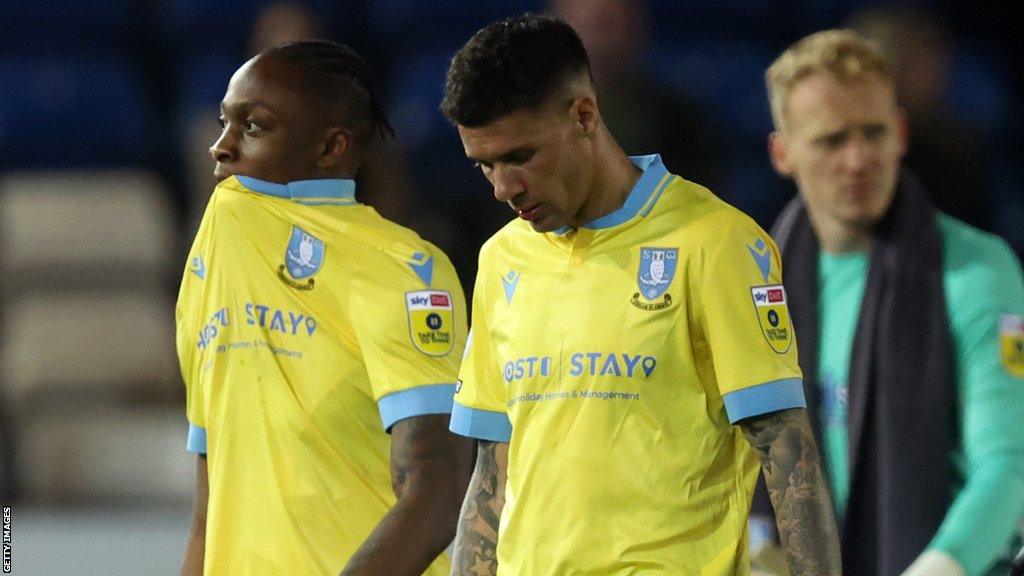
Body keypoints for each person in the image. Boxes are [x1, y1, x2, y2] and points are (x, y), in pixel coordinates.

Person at [440, 14, 841, 575]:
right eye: (484, 164)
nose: (503, 187)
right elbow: (491, 473)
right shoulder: (501, 259)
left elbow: (786, 451)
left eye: (520, 157)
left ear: (584, 115)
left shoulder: (715, 243)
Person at [175, 40, 474, 575]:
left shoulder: (404, 269)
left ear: (331, 147)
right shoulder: (218, 253)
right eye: (224, 121)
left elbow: (438, 491)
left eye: (253, 127)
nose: (220, 146)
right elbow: (210, 499)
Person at [761, 29, 1024, 576]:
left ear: (901, 132)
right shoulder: (753, 283)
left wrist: (942, 567)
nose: (858, 159)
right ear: (783, 154)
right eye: (832, 140)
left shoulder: (979, 272)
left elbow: (1008, 464)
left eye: (874, 132)